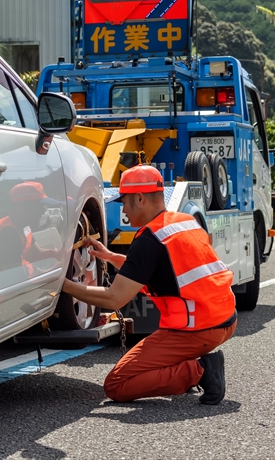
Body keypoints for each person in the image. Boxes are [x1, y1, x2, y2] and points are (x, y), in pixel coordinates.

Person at [61, 165, 237, 405]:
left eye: (124, 201)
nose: (123, 209)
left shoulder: (149, 239)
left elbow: (114, 299)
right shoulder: (183, 222)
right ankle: (187, 366)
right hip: (223, 318)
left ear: (140, 198)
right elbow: (162, 271)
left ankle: (200, 371)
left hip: (196, 329)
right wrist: (112, 257)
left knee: (117, 384)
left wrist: (63, 286)